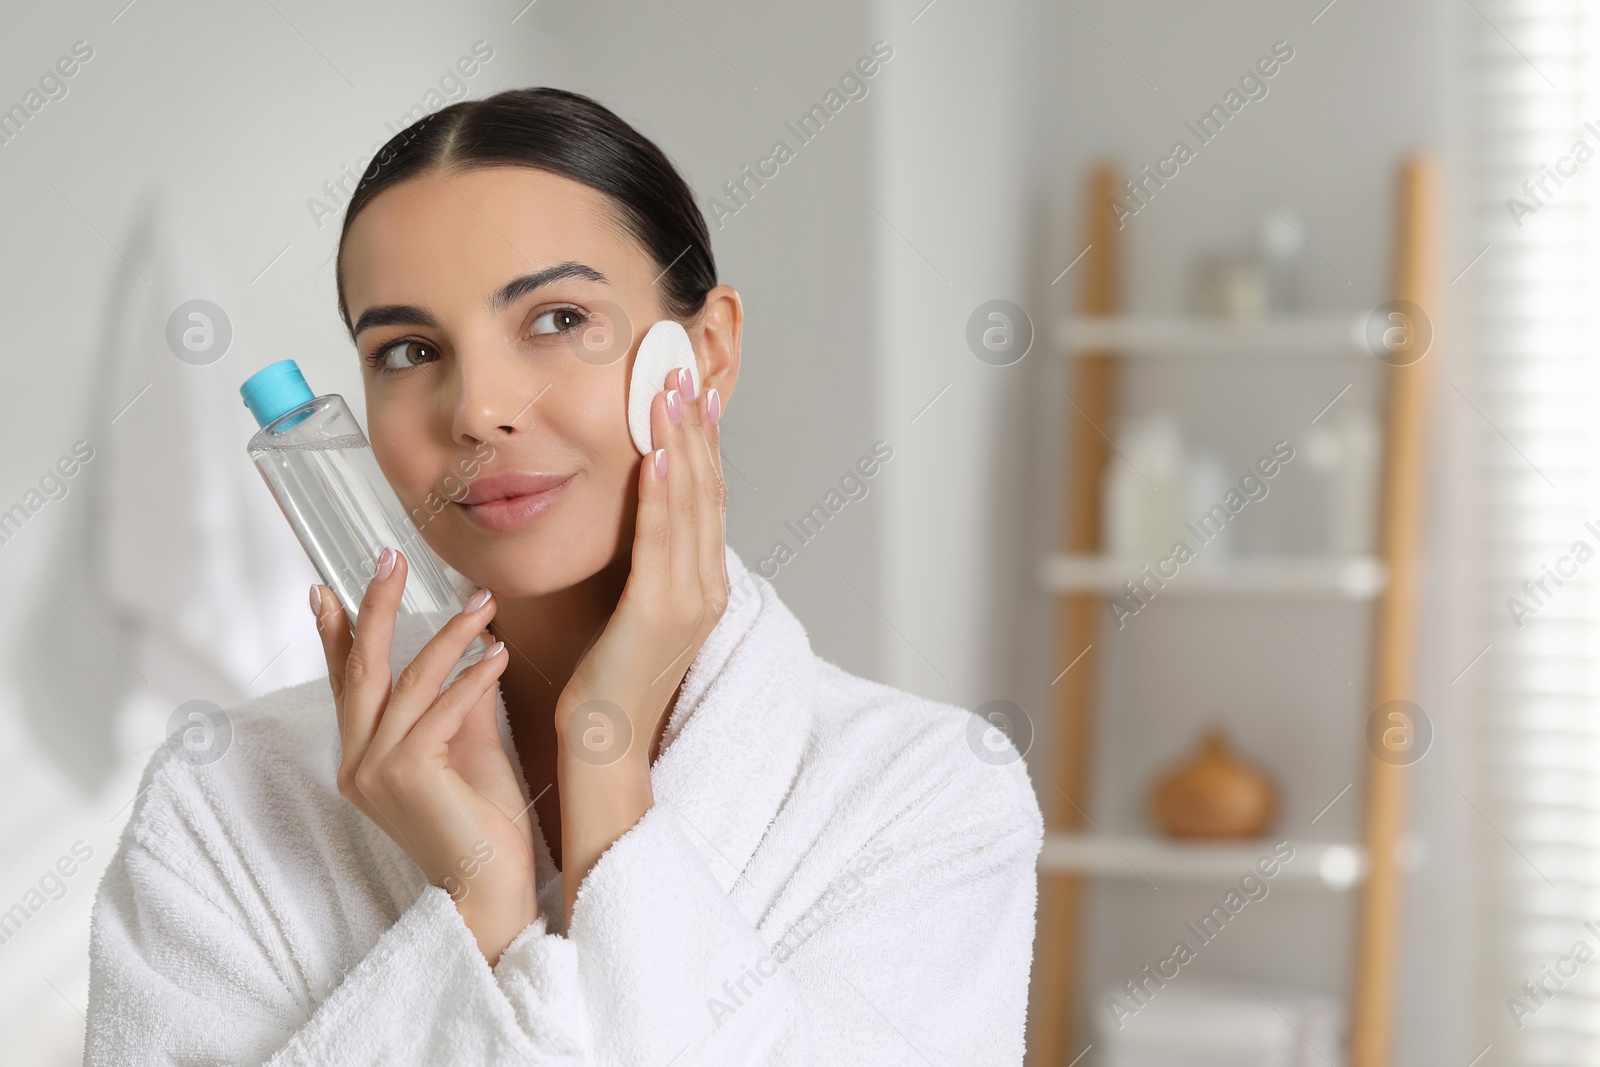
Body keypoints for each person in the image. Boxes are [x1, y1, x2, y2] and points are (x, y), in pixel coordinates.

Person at [84, 87, 1043, 1065]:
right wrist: (478, 896)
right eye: (408, 350)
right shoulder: (224, 802)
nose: (480, 408)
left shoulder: (926, 797)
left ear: (704, 355)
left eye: (556, 318)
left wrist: (605, 770)